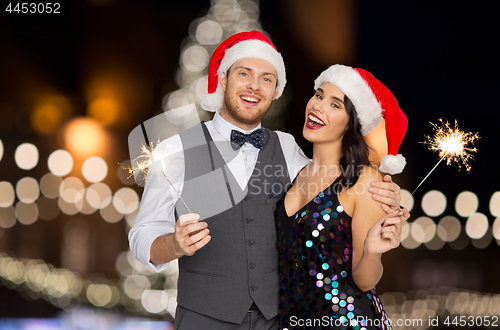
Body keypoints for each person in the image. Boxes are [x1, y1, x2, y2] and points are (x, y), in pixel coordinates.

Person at [129, 32, 403, 330]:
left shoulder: (287, 149)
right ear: (223, 80)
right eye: (244, 74)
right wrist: (174, 244)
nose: (253, 86)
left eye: (266, 79)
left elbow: (333, 183)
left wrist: (385, 192)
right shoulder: (177, 151)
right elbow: (143, 233)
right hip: (203, 319)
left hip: (277, 320)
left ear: (276, 92)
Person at [275, 64, 410, 330]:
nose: (318, 106)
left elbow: (365, 280)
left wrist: (372, 253)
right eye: (318, 94)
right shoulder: (293, 172)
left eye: (335, 105)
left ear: (352, 123)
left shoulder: (365, 181)